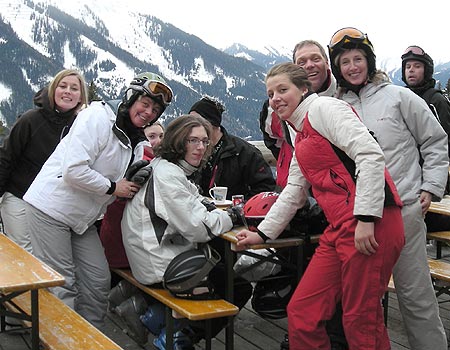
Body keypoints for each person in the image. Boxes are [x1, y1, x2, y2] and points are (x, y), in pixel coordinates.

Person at [237, 62, 405, 349]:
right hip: (339, 227)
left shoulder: (325, 110)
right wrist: (263, 235)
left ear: (303, 89)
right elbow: (294, 190)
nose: (275, 98)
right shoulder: (296, 131)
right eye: (270, 93)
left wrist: (366, 218)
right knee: (303, 312)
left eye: (282, 89)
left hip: (371, 223)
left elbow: (370, 155)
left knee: (360, 320)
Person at [328, 27, 449, 349]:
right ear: (336, 68)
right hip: (358, 219)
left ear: (369, 61)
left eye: (358, 59)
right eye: (344, 62)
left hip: (406, 209)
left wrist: (432, 185)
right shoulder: (335, 106)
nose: (353, 67)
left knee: (416, 295)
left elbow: (435, 141)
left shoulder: (400, 97)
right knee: (364, 300)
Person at [23, 71, 173, 330]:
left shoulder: (136, 142)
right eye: (145, 104)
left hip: (82, 219)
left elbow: (126, 179)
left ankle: (87, 338)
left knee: (98, 280)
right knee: (63, 283)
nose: (149, 112)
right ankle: (63, 343)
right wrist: (115, 187)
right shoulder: (97, 117)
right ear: (130, 98)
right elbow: (73, 170)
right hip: (50, 209)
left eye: (155, 110)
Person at [121, 114, 253, 349]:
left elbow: (192, 198)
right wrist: (232, 216)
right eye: (192, 141)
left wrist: (211, 207)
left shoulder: (165, 167)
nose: (200, 147)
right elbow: (199, 228)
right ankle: (177, 337)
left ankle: (155, 317)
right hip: (159, 265)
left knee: (220, 263)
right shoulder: (168, 176)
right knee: (237, 286)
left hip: (151, 254)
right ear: (177, 141)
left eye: (204, 141)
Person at [0, 69, 88, 253]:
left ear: (81, 97)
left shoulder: (79, 127)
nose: (67, 91)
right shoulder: (31, 120)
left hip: (51, 206)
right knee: (25, 253)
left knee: (47, 256)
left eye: (74, 88)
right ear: (53, 89)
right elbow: (7, 157)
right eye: (62, 86)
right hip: (19, 196)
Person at [260, 40, 336, 189]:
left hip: (333, 191)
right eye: (301, 62)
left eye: (315, 59)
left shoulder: (342, 98)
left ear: (327, 63)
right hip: (291, 188)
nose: (309, 65)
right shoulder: (275, 107)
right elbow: (271, 138)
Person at [100, 121, 165, 270]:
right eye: (152, 136)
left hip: (135, 242)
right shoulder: (135, 164)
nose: (159, 141)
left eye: (161, 136)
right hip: (123, 241)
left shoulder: (160, 164)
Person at [401, 45, 450, 231]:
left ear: (427, 70)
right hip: (406, 174)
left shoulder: (435, 100)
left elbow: (443, 142)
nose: (411, 70)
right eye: (407, 67)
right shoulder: (401, 98)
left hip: (428, 176)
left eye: (417, 66)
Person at [189, 96, 275, 200]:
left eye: (197, 121)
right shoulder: (189, 148)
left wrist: (239, 207)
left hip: (234, 212)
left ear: (212, 123)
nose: (190, 125)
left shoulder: (244, 152)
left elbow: (265, 187)